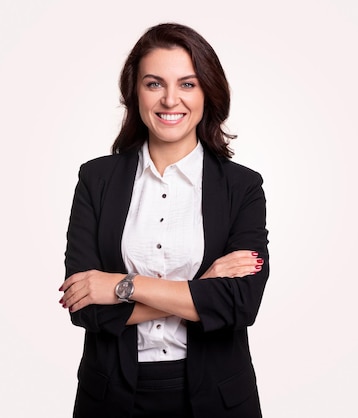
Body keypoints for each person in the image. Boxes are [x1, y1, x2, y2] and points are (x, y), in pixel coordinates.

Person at [59, 22, 269, 418]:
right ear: (134, 92)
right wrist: (200, 290)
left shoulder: (242, 187)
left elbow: (241, 303)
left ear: (209, 91)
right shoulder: (96, 179)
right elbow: (84, 306)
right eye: (154, 83)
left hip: (219, 401)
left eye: (187, 84)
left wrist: (123, 286)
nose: (171, 99)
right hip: (110, 400)